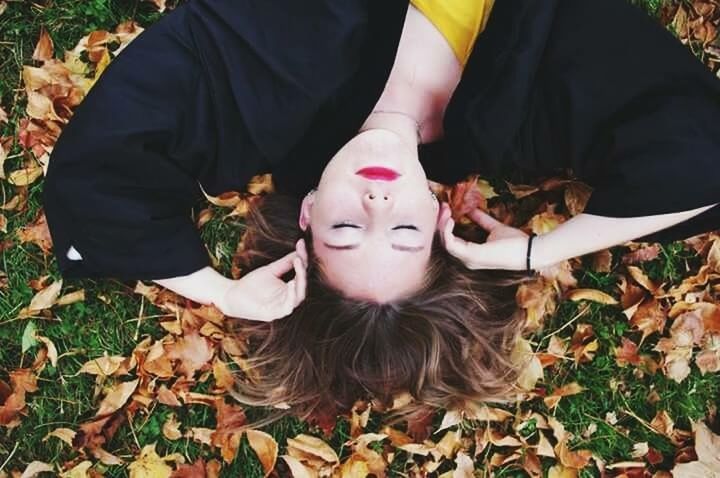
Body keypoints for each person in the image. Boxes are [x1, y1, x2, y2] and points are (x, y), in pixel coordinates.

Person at [44, 0, 720, 418]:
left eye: (345, 229)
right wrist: (540, 250)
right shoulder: (525, 117)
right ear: (439, 221)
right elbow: (704, 162)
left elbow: (95, 181)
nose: (377, 200)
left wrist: (222, 293)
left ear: (307, 214)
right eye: (401, 231)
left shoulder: (263, 93)